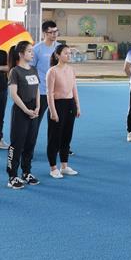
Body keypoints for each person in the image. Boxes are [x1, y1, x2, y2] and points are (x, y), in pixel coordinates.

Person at [7, 41, 41, 189]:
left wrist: (38, 106)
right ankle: (12, 176)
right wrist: (26, 110)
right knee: (17, 143)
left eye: (32, 51)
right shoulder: (15, 71)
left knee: (30, 142)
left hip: (34, 110)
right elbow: (13, 94)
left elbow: (37, 90)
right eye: (29, 51)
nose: (32, 53)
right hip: (21, 111)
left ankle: (26, 172)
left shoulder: (33, 69)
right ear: (21, 54)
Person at [46, 44, 80, 178]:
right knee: (54, 138)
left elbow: (74, 89)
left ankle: (64, 166)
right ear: (57, 55)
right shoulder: (52, 71)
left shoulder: (71, 70)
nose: (69, 55)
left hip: (70, 104)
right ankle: (53, 168)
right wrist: (52, 111)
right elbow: (49, 93)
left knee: (67, 137)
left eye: (70, 53)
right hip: (57, 105)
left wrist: (77, 106)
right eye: (66, 53)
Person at [30, 20, 61, 129]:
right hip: (42, 91)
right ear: (44, 33)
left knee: (57, 121)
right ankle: (30, 140)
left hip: (58, 91)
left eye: (56, 31)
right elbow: (31, 69)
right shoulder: (36, 49)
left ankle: (55, 141)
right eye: (51, 32)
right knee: (35, 121)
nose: (54, 34)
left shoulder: (60, 48)